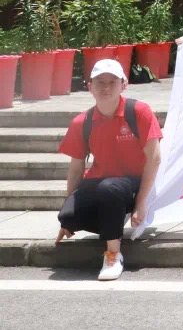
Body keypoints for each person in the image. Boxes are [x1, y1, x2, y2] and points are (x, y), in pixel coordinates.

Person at [56, 59, 163, 281]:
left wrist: (141, 204)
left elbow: (154, 159)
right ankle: (113, 217)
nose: (106, 87)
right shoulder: (82, 121)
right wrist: (68, 209)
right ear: (90, 87)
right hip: (100, 182)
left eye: (112, 82)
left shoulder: (139, 111)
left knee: (110, 188)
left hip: (132, 183)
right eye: (100, 82)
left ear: (124, 85)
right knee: (68, 217)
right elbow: (76, 168)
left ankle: (113, 254)